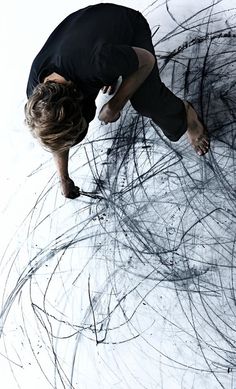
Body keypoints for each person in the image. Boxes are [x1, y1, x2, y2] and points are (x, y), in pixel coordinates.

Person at [25, 3, 209, 199]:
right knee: (99, 76)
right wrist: (64, 178)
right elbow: (56, 130)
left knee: (146, 101)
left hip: (125, 24)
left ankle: (186, 114)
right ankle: (115, 66)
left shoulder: (97, 63)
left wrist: (115, 105)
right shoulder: (37, 96)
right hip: (86, 31)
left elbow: (147, 61)